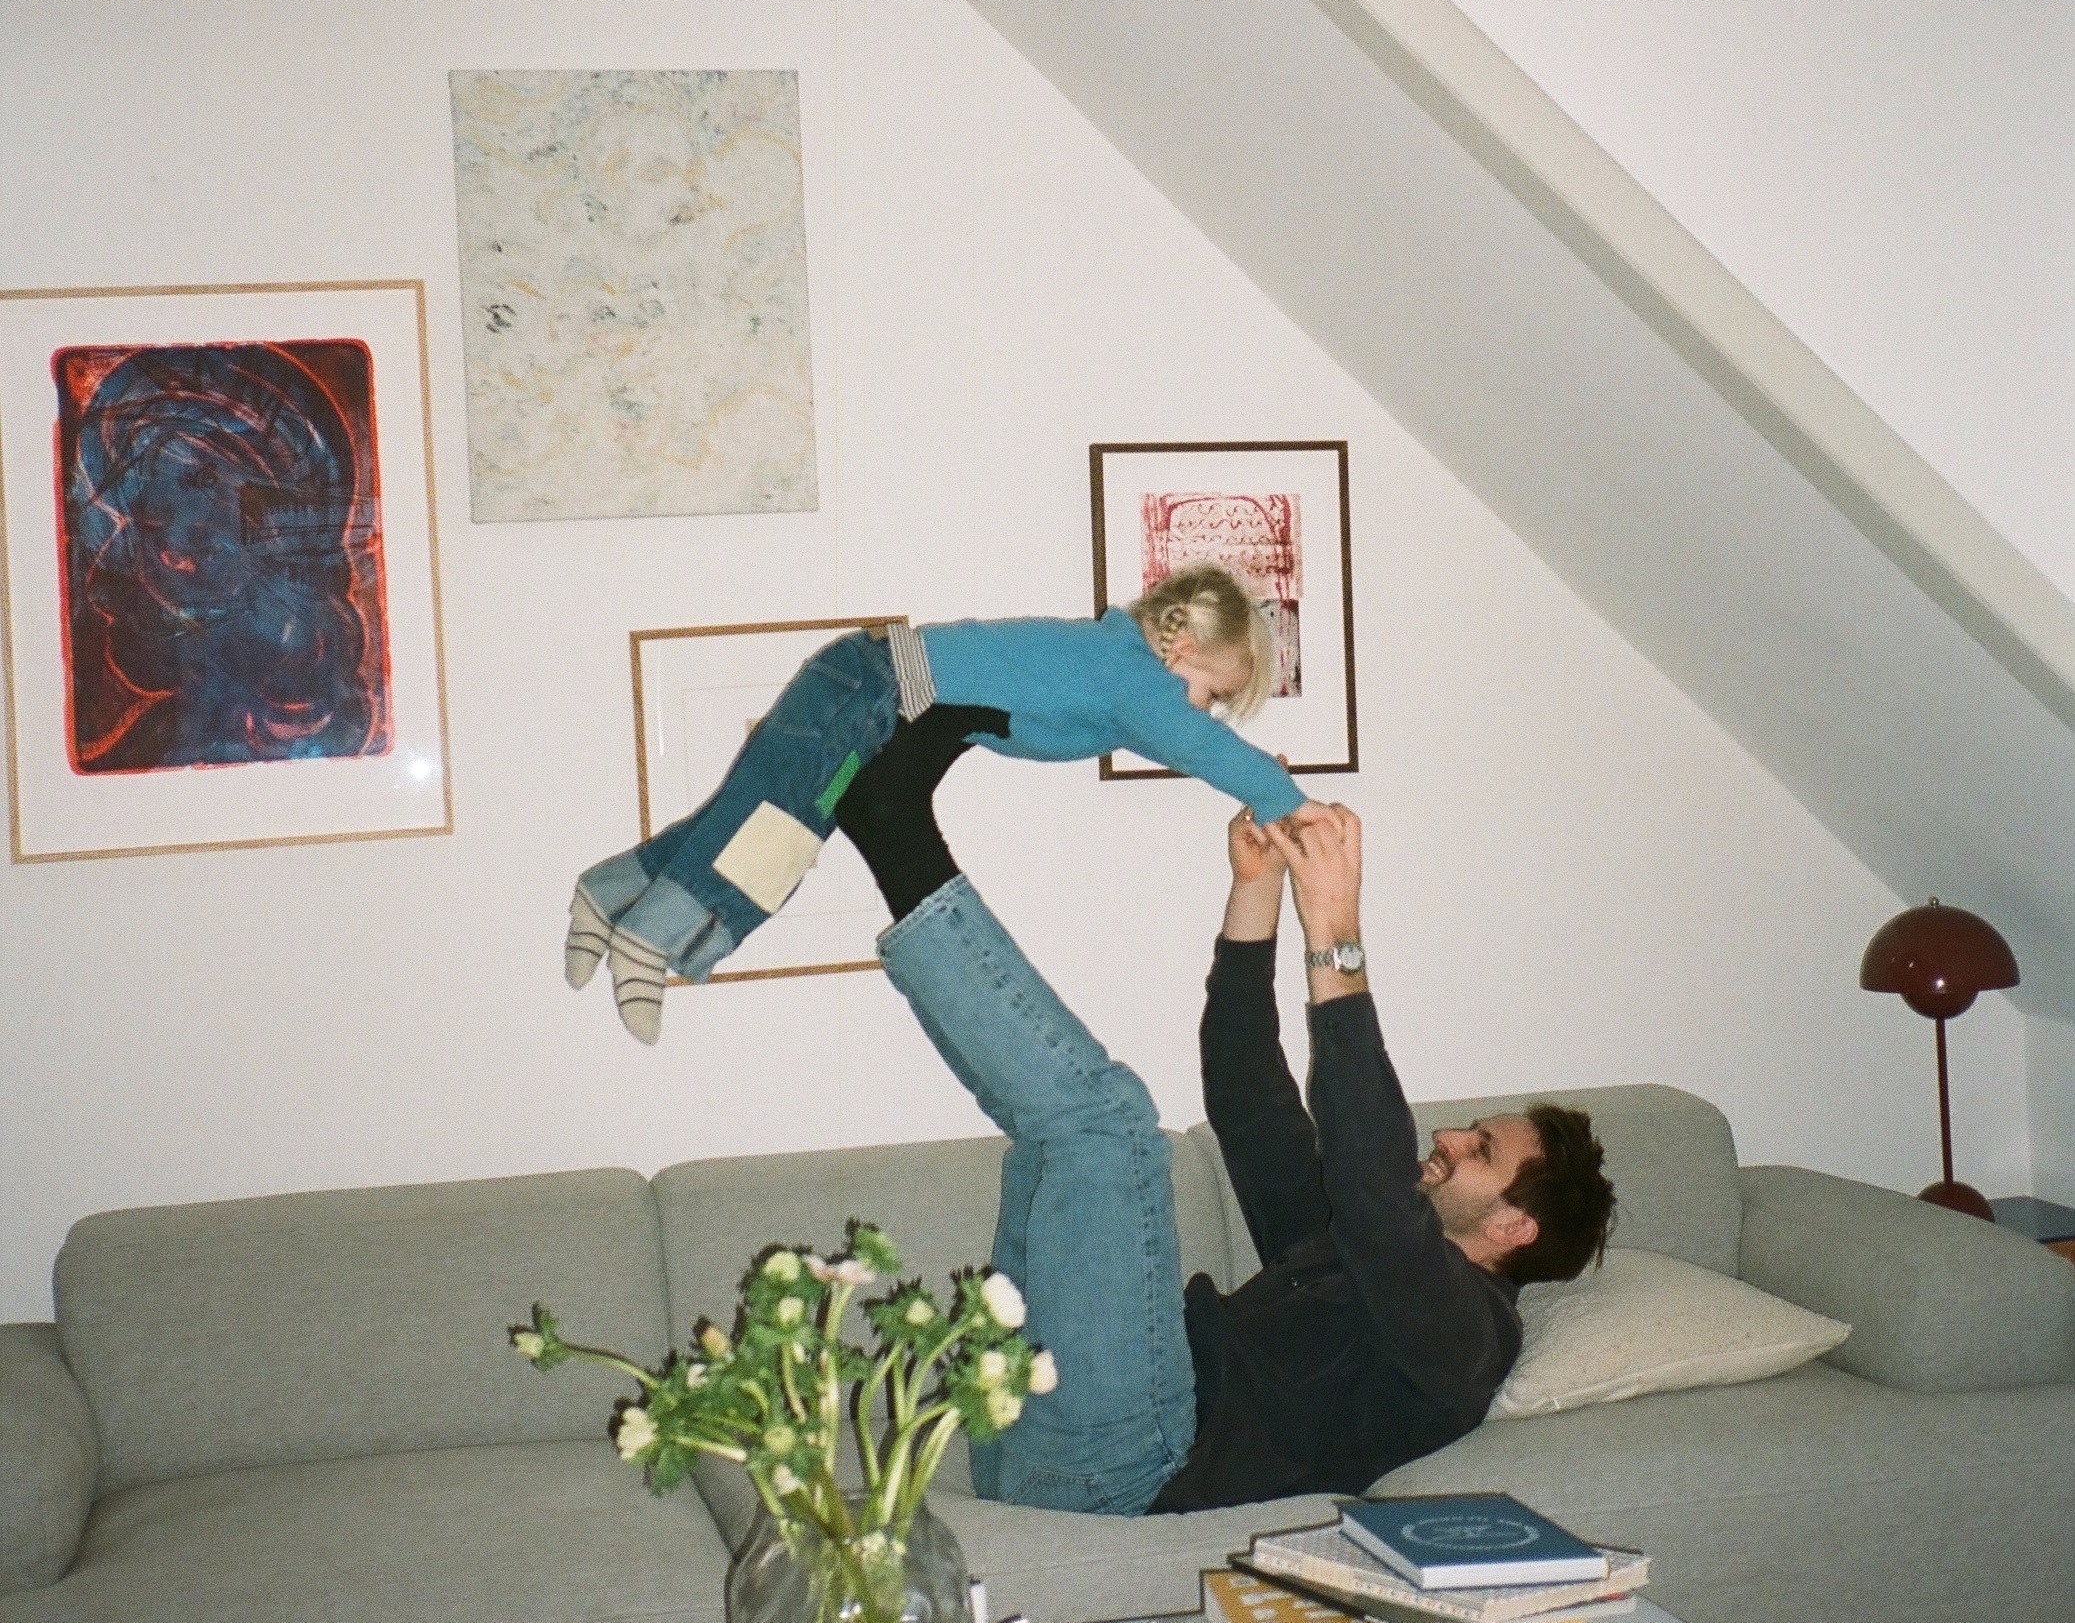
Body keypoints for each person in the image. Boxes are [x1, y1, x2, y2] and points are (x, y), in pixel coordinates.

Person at [833, 721, 1615, 1515]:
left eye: (1479, 1150)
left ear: (1515, 1227)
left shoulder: (1469, 1337)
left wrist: (1335, 932)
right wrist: (1257, 886)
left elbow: (1379, 1201)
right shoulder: (1345, 1248)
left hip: (1132, 1471)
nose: (1447, 1138)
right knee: (1049, 1148)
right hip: (1026, 1434)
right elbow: (1245, 1095)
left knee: (1106, 1124)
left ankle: (892, 826)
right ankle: (886, 826)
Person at [566, 566, 1306, 1041]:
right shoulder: (1134, 675)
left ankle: (609, 893)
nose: (1202, 714)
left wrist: (1254, 781)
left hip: (863, 679)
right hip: (870, 690)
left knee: (740, 816)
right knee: (777, 831)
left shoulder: (1117, 677)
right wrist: (1288, 804)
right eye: (1212, 695)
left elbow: (1175, 741)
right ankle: (651, 937)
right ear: (1180, 655)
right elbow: (1197, 745)